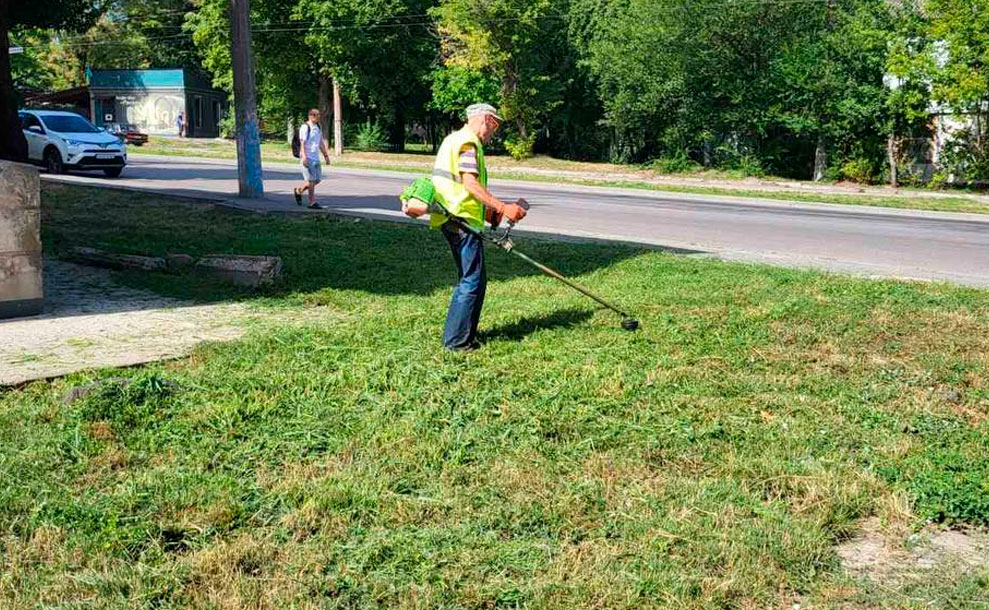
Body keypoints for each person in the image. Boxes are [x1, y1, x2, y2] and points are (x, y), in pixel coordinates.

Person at [430, 103, 528, 351]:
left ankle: (461, 336)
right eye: (494, 126)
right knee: (471, 281)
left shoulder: (452, 139)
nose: (493, 133)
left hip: (452, 218)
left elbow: (459, 186)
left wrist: (489, 212)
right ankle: (457, 343)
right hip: (461, 221)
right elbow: (470, 184)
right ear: (486, 119)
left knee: (472, 279)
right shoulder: (469, 143)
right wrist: (503, 207)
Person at [293, 109, 332, 210]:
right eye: (317, 115)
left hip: (315, 157)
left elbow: (320, 142)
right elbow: (302, 143)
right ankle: (312, 202)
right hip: (307, 157)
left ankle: (299, 190)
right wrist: (304, 157)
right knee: (311, 180)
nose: (319, 117)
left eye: (319, 115)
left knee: (317, 180)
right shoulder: (305, 127)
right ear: (311, 116)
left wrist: (326, 156)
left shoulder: (318, 126)